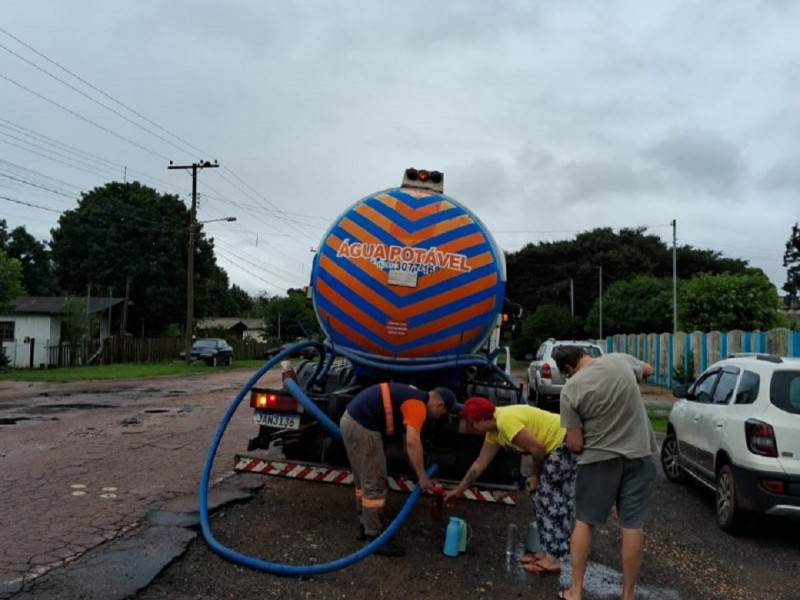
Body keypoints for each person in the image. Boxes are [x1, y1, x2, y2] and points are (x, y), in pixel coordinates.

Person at [552, 346, 658, 600]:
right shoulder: (620, 360)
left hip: (599, 460)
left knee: (585, 522)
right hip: (640, 455)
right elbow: (648, 370)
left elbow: (575, 444)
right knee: (632, 525)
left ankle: (575, 590)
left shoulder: (571, 389)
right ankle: (627, 595)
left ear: (568, 369)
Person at [443, 397, 577, 574]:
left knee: (550, 501)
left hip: (562, 444)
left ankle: (553, 559)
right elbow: (479, 464)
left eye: (472, 424)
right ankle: (547, 552)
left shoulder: (505, 421)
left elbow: (537, 449)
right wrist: (457, 491)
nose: (472, 429)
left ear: (482, 420)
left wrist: (536, 476)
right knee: (540, 499)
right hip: (553, 448)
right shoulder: (495, 430)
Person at [339, 383, 456, 557]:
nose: (438, 418)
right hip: (364, 427)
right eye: (442, 414)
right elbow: (412, 442)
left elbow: (407, 446)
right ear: (440, 404)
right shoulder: (418, 405)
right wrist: (423, 478)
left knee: (364, 482)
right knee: (375, 482)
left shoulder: (413, 397)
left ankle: (366, 525)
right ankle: (374, 538)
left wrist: (419, 475)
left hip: (353, 420)